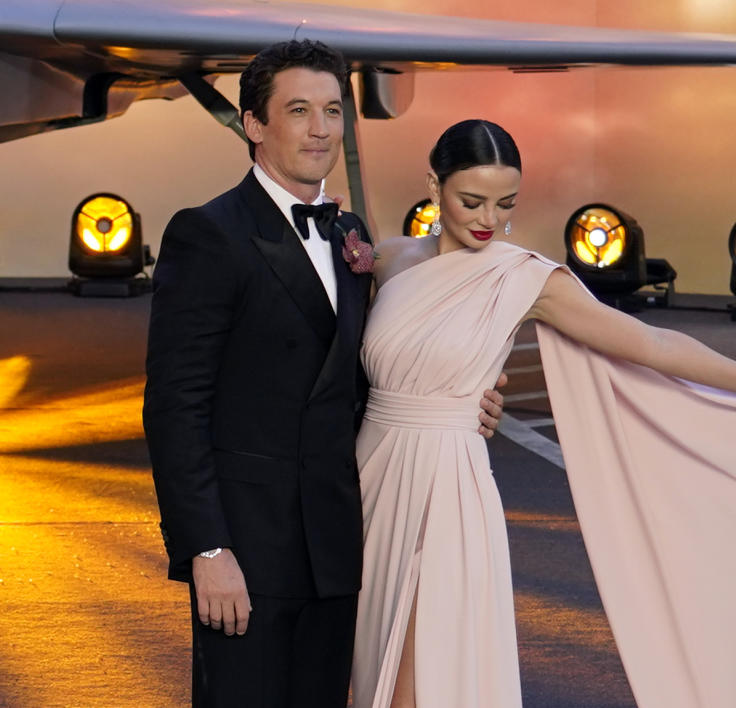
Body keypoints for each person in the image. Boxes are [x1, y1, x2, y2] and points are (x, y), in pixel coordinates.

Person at [351, 119, 736, 708]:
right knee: (357, 664)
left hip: (448, 492)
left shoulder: (525, 277)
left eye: (506, 202)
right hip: (367, 480)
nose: (488, 219)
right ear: (433, 184)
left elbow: (652, 344)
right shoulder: (388, 261)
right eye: (471, 201)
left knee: (422, 676)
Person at [141, 43, 504, 708]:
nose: (321, 129)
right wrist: (208, 551)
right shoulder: (208, 234)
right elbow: (175, 407)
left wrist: (455, 402)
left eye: (333, 111)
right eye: (300, 110)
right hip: (248, 552)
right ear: (254, 124)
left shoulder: (348, 234)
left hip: (338, 548)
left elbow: (361, 380)